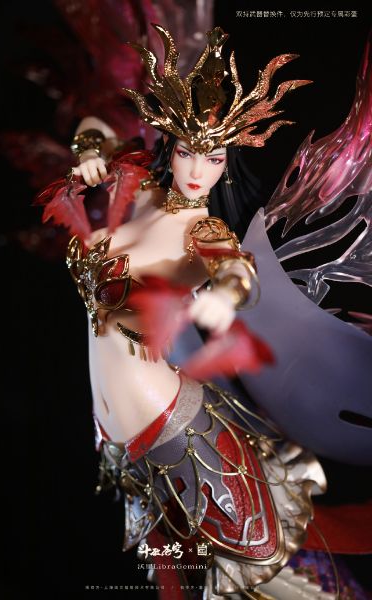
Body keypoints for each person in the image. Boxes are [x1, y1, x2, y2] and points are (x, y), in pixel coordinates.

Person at [57, 25, 337, 599]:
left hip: (166, 420)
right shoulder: (137, 190)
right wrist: (88, 152)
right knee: (175, 568)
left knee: (248, 572)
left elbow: (234, 268)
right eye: (187, 151)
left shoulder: (202, 231)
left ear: (226, 164)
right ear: (171, 146)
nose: (195, 170)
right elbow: (97, 122)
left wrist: (224, 295)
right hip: (114, 432)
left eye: (212, 157)